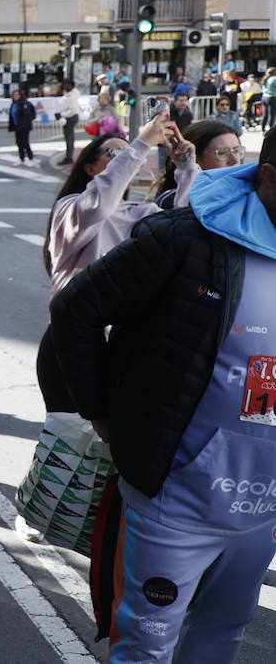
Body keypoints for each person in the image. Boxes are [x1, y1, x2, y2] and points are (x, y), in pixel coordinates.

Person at [50, 134, 276, 663]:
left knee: (221, 638)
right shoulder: (188, 238)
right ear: (269, 177)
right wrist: (103, 413)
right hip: (175, 501)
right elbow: (75, 312)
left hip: (262, 510)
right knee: (146, 650)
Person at [37, 110, 196, 413]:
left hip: (124, 341)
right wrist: (140, 144)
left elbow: (182, 222)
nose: (124, 158)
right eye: (113, 153)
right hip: (74, 341)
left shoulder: (140, 213)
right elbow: (98, 204)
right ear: (90, 168)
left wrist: (186, 166)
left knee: (111, 450)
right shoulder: (70, 209)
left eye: (126, 154)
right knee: (69, 448)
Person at [151, 119, 246, 208]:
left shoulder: (250, 194)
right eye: (222, 152)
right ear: (196, 159)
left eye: (237, 150)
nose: (234, 160)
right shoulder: (172, 201)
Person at [8, 87, 36, 163]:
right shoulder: (13, 104)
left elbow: (31, 114)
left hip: (24, 127)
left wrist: (25, 123)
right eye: (14, 95)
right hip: (17, 126)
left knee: (25, 142)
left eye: (17, 95)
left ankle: (30, 156)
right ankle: (21, 157)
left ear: (20, 95)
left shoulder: (25, 103)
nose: (15, 96)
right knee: (18, 142)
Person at [57, 81, 81, 165]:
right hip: (68, 117)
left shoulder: (72, 96)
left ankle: (69, 157)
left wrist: (62, 115)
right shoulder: (69, 95)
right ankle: (68, 156)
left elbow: (72, 110)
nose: (65, 86)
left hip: (70, 118)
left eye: (66, 84)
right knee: (69, 137)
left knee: (69, 138)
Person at [263, 67, 276, 132]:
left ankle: (263, 129)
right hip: (272, 97)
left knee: (265, 114)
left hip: (264, 97)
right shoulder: (274, 79)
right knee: (272, 115)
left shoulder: (265, 78)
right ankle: (271, 130)